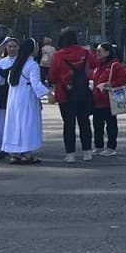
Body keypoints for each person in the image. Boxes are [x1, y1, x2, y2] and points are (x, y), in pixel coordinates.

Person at [48, 28, 97, 163]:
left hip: (65, 94)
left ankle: (70, 154)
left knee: (68, 124)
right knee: (84, 123)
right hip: (83, 92)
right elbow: (94, 65)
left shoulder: (58, 55)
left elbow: (52, 76)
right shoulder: (85, 53)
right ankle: (87, 152)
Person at [0, 39, 49, 164]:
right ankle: (26, 153)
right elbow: (36, 83)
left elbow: (9, 81)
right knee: (27, 124)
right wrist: (49, 93)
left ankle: (15, 153)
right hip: (27, 98)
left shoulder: (16, 63)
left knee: (15, 124)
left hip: (14, 98)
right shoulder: (32, 65)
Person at [91, 43, 126, 157]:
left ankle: (111, 147)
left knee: (111, 125)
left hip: (109, 101)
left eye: (100, 51)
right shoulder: (98, 66)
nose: (97, 53)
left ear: (107, 52)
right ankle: (99, 146)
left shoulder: (114, 65)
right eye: (97, 50)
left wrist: (110, 85)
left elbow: (124, 78)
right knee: (97, 124)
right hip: (97, 100)